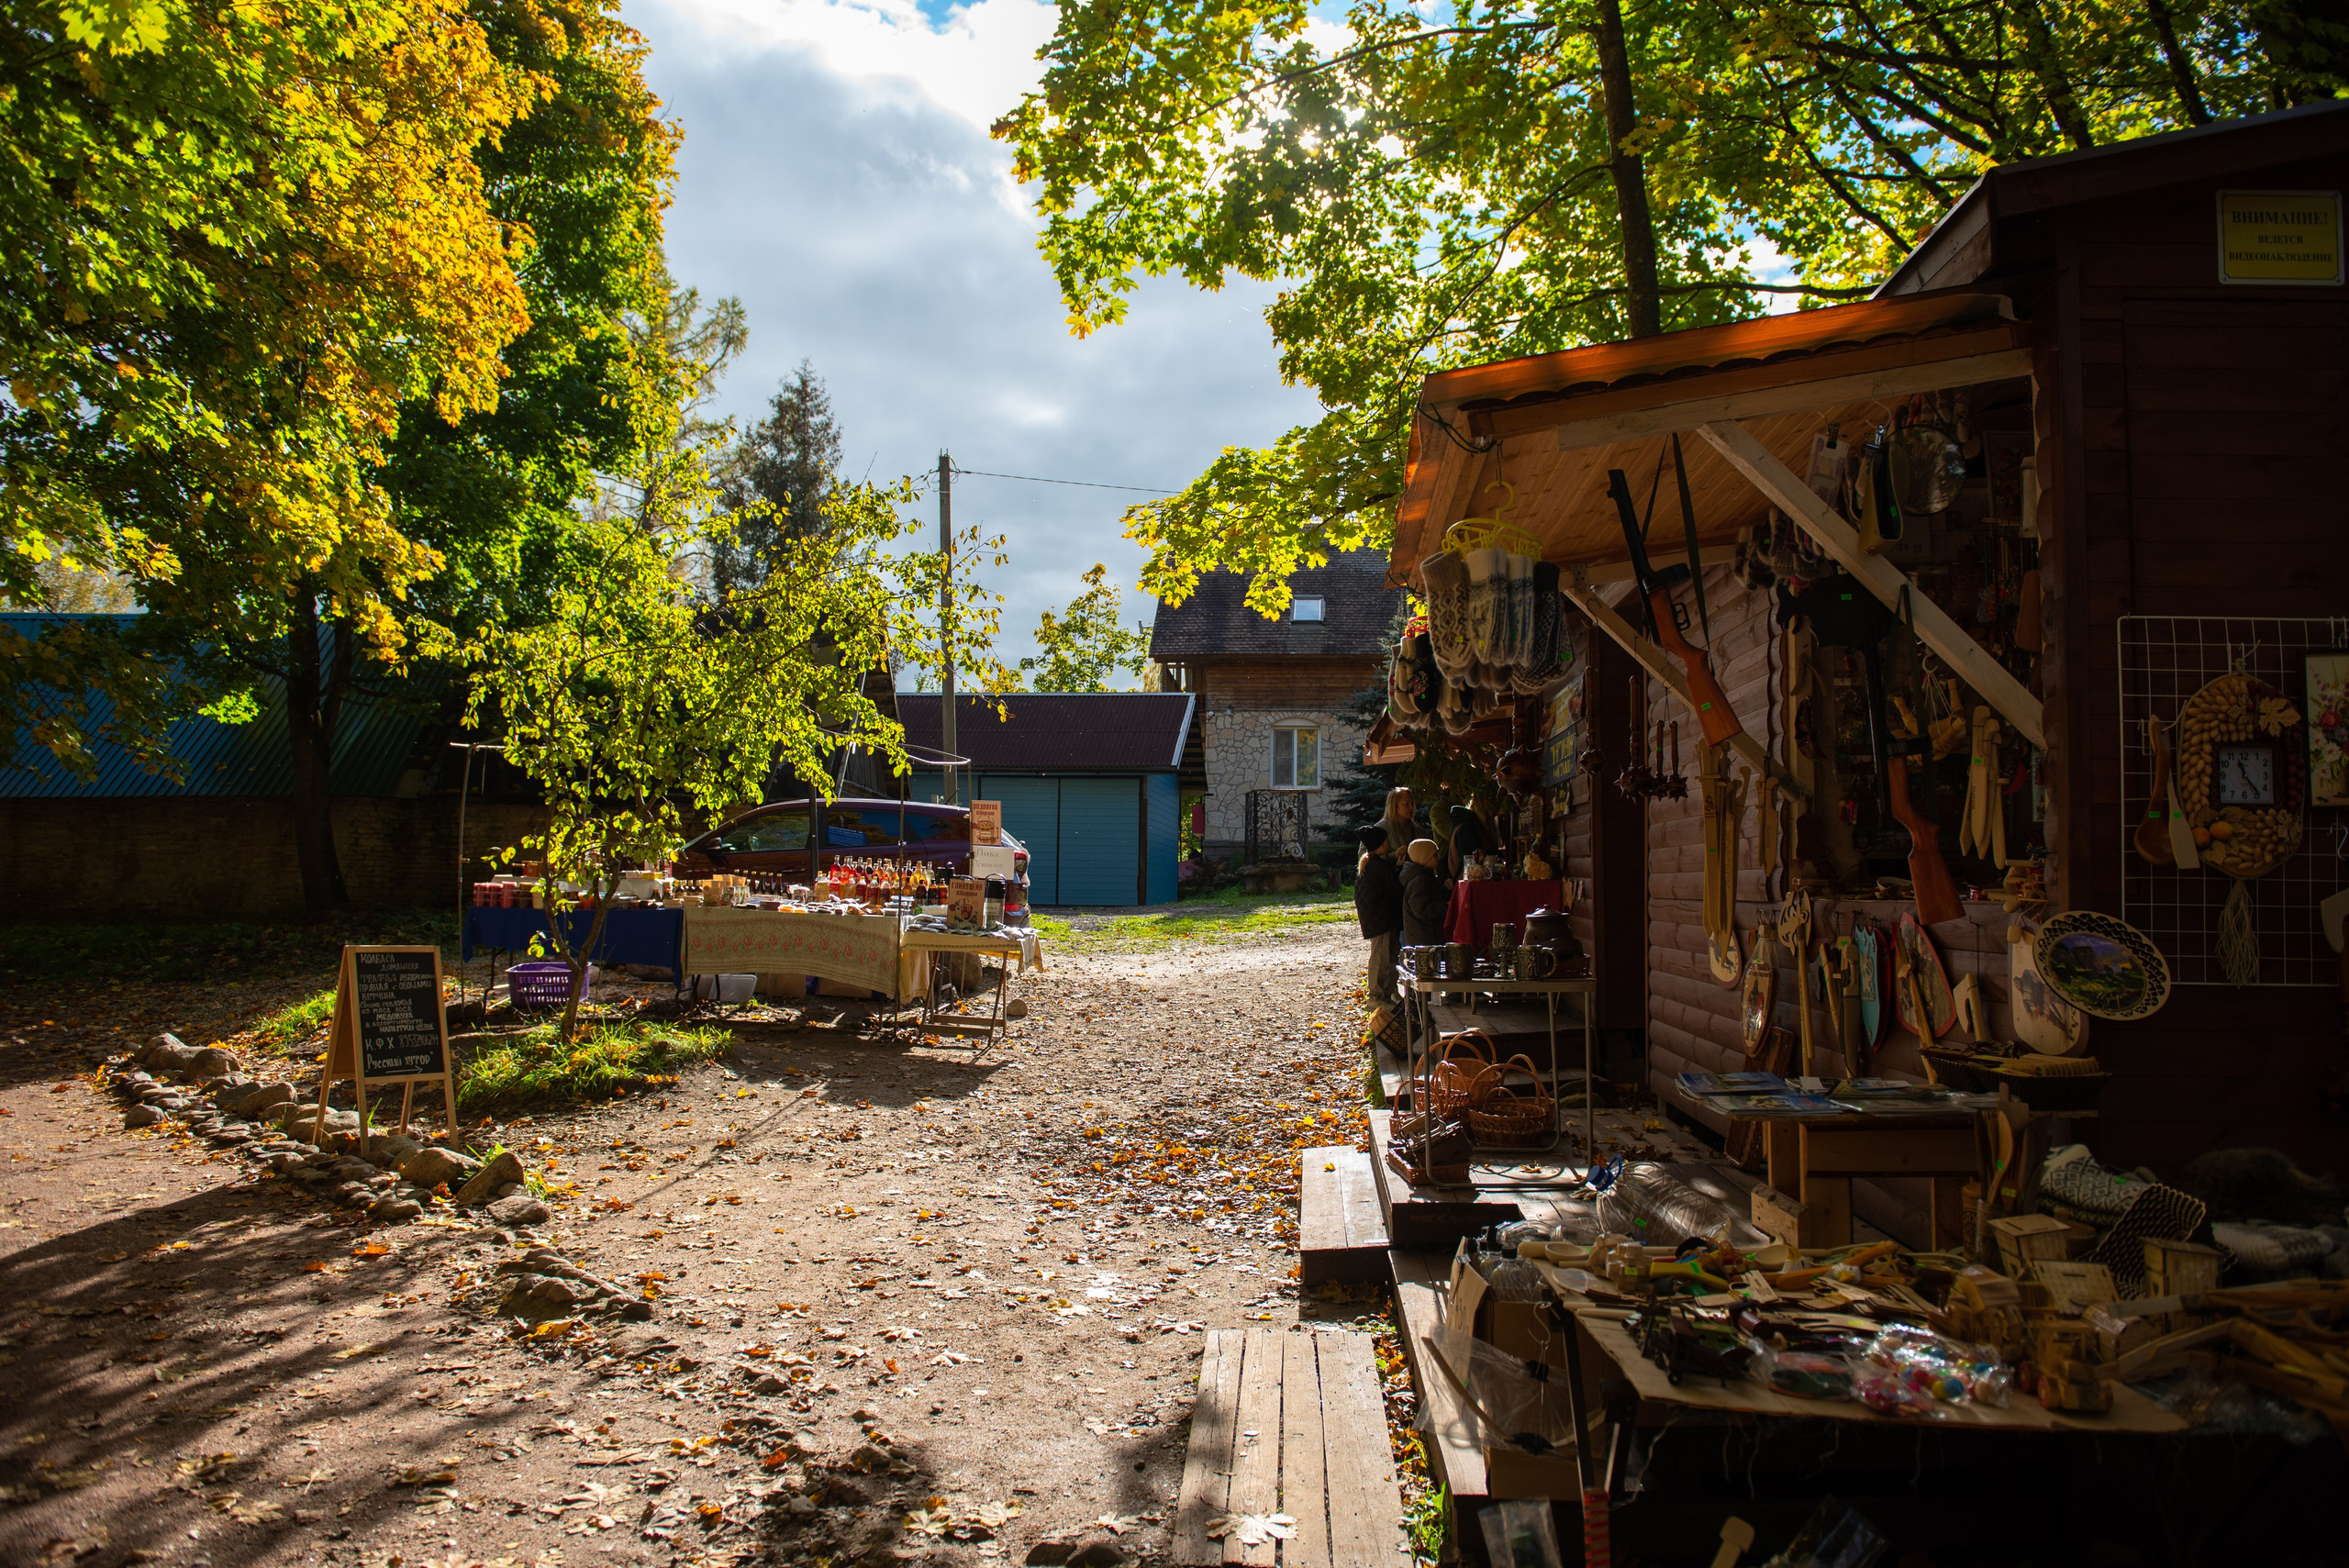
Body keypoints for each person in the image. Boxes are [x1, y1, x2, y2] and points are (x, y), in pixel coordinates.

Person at [1353, 825, 1402, 1005]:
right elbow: (1395, 887)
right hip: (1381, 920)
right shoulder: (1379, 866)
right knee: (1381, 957)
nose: (1388, 844)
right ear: (1378, 845)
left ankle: (1384, 994)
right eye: (1386, 842)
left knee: (1386, 956)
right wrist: (1399, 870)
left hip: (1376, 919)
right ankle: (1376, 996)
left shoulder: (1368, 864)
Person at [1400, 838, 1448, 949]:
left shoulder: (1424, 876)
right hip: (1423, 938)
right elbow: (1421, 909)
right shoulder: (1419, 880)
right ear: (1425, 859)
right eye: (1435, 855)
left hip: (1426, 935)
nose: (1438, 857)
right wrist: (1446, 906)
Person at [1445, 802, 1488, 881]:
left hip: (1463, 880)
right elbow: (1470, 858)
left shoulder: (1459, 825)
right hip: (1469, 881)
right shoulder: (1467, 829)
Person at [1380, 785, 1418, 854]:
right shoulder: (1380, 829)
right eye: (1407, 804)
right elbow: (1366, 858)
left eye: (1412, 804)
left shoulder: (1417, 830)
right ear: (1394, 806)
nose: (1411, 808)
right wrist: (1394, 855)